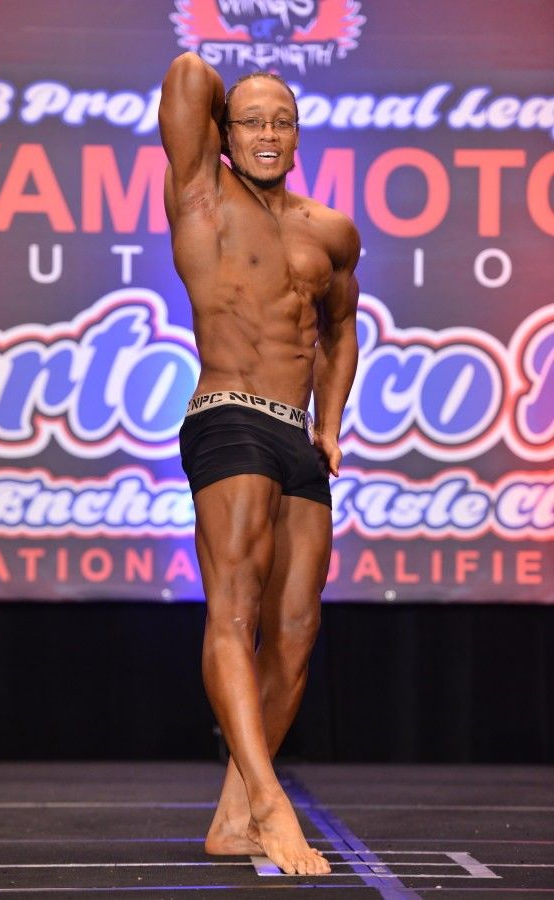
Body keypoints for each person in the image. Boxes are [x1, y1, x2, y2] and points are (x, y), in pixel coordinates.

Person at [159, 52, 360, 877]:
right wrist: (226, 103)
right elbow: (186, 73)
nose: (268, 133)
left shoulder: (330, 229)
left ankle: (235, 815)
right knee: (235, 615)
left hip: (297, 434)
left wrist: (331, 423)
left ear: (300, 135)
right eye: (252, 121)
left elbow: (341, 329)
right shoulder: (200, 193)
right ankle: (274, 805)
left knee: (297, 633)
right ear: (224, 132)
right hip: (228, 414)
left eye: (282, 121)